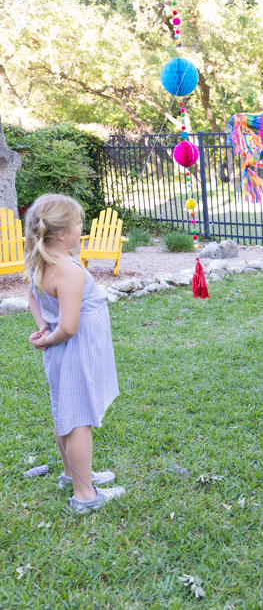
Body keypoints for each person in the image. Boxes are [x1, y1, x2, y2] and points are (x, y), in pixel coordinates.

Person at [24, 193, 124, 513]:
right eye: (79, 222)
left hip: (59, 348)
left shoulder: (42, 263)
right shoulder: (67, 269)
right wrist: (49, 337)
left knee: (64, 411)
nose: (82, 226)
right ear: (64, 234)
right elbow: (68, 327)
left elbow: (33, 300)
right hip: (74, 347)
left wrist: (41, 328)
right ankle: (85, 494)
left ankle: (73, 474)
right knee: (79, 417)